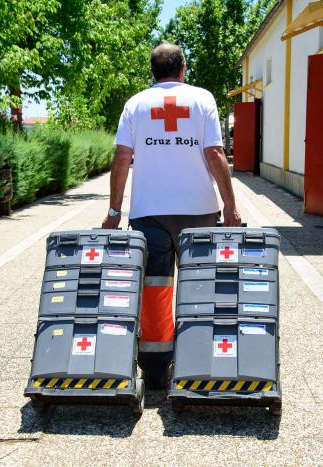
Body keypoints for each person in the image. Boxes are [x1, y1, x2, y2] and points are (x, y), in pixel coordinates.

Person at [102, 43, 242, 389]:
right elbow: (214, 153)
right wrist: (231, 206)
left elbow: (121, 158)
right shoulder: (202, 99)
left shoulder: (136, 104)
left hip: (149, 214)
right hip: (199, 212)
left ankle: (154, 372)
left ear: (153, 73)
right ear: (183, 69)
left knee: (154, 292)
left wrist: (113, 211)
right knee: (201, 289)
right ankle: (201, 361)